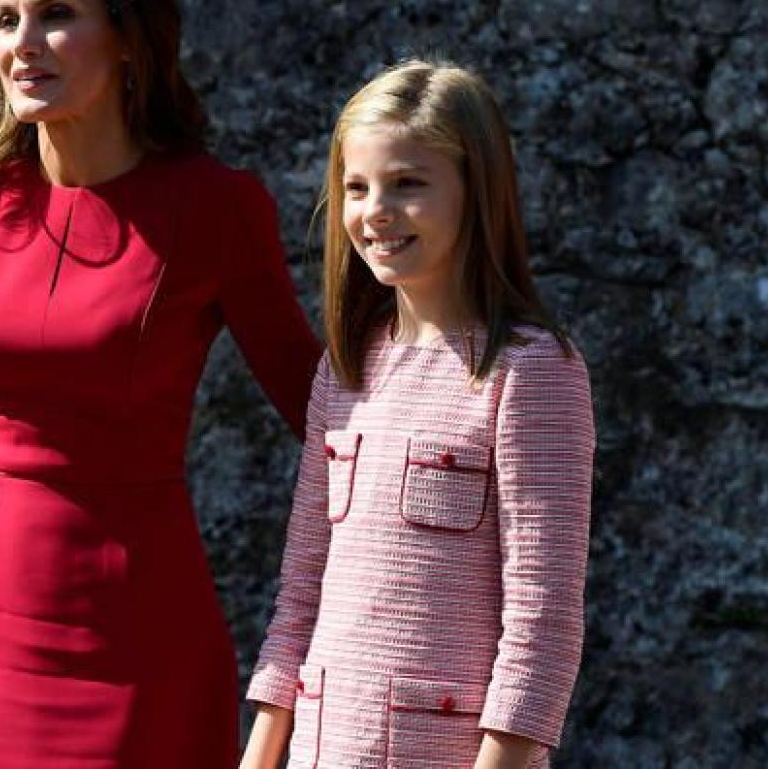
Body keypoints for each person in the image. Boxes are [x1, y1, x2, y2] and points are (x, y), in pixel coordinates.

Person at [0, 0, 322, 768]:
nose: (22, 44)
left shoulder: (215, 209)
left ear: (128, 38)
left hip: (139, 641)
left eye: (56, 14)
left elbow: (325, 416)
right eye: (5, 21)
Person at [240, 60, 595, 769]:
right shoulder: (345, 370)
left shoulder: (530, 370)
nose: (376, 211)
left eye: (408, 184)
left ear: (476, 191)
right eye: (357, 188)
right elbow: (301, 595)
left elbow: (543, 626)